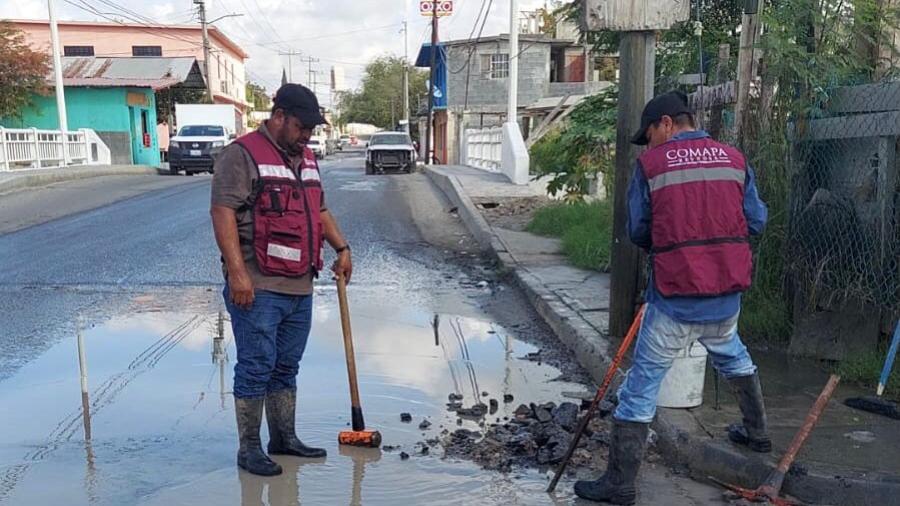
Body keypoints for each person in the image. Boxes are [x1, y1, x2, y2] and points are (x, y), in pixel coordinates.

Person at [574, 91, 770, 505]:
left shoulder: (651, 166)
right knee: (734, 356)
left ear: (665, 123)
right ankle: (758, 435)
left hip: (675, 298)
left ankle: (619, 485)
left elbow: (639, 230)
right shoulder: (734, 159)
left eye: (648, 135)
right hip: (726, 294)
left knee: (640, 388)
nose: (648, 145)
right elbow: (756, 220)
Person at [210, 83, 353, 477]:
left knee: (286, 365)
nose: (307, 134)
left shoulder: (306, 157)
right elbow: (222, 212)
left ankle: (283, 438)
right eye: (301, 126)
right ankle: (249, 448)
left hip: (299, 285)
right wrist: (238, 273)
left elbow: (318, 209)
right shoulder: (242, 155)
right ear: (279, 117)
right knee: (256, 365)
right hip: (258, 285)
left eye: (311, 127)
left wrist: (342, 248)